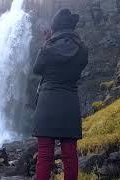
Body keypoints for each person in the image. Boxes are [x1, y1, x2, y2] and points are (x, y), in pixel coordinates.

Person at [32, 8, 89, 180]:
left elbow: (37, 69)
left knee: (44, 154)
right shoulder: (82, 49)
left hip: (47, 103)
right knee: (70, 154)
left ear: (55, 26)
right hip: (69, 102)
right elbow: (79, 68)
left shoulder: (48, 47)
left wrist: (47, 42)